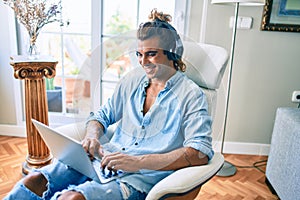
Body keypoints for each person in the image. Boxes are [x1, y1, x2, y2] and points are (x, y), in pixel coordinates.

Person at [5, 9, 213, 200]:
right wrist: (91, 137)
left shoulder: (191, 96)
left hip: (137, 180)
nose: (143, 62)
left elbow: (199, 153)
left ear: (172, 53)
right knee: (33, 181)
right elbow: (101, 116)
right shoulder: (132, 81)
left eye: (151, 54)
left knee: (71, 198)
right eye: (139, 54)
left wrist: (137, 162)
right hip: (102, 162)